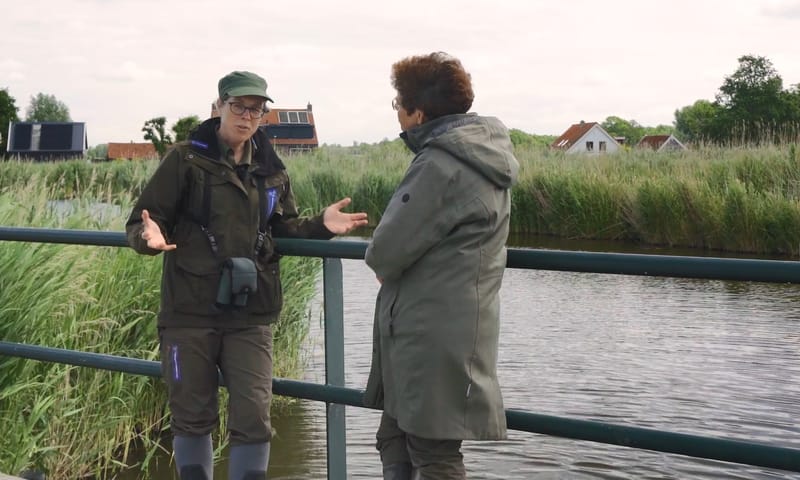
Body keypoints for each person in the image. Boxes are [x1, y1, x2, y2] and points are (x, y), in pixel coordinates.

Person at [125, 70, 367, 480]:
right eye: (239, 106)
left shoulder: (271, 168)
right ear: (218, 106)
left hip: (250, 312)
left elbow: (282, 228)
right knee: (190, 415)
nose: (247, 116)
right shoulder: (184, 159)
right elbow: (143, 221)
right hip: (188, 313)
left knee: (254, 415)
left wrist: (321, 226)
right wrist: (148, 237)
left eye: (256, 110)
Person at [363, 52, 519, 479]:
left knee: (432, 452)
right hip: (452, 326)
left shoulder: (439, 164)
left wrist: (385, 259)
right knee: (397, 435)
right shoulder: (482, 155)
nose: (397, 113)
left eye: (398, 104)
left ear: (418, 113)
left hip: (429, 332)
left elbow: (385, 251)